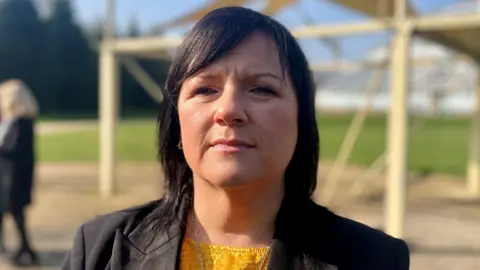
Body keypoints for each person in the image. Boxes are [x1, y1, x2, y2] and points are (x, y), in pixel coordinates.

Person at [61, 6, 409, 270]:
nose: (228, 110)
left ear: (301, 118)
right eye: (205, 89)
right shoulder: (98, 249)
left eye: (261, 89)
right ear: (176, 120)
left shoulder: (374, 259)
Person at [0, 79, 39, 266]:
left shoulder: (23, 123)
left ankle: (26, 249)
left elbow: (12, 148)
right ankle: (22, 249)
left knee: (16, 214)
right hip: (5, 176)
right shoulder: (8, 121)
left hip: (14, 178)